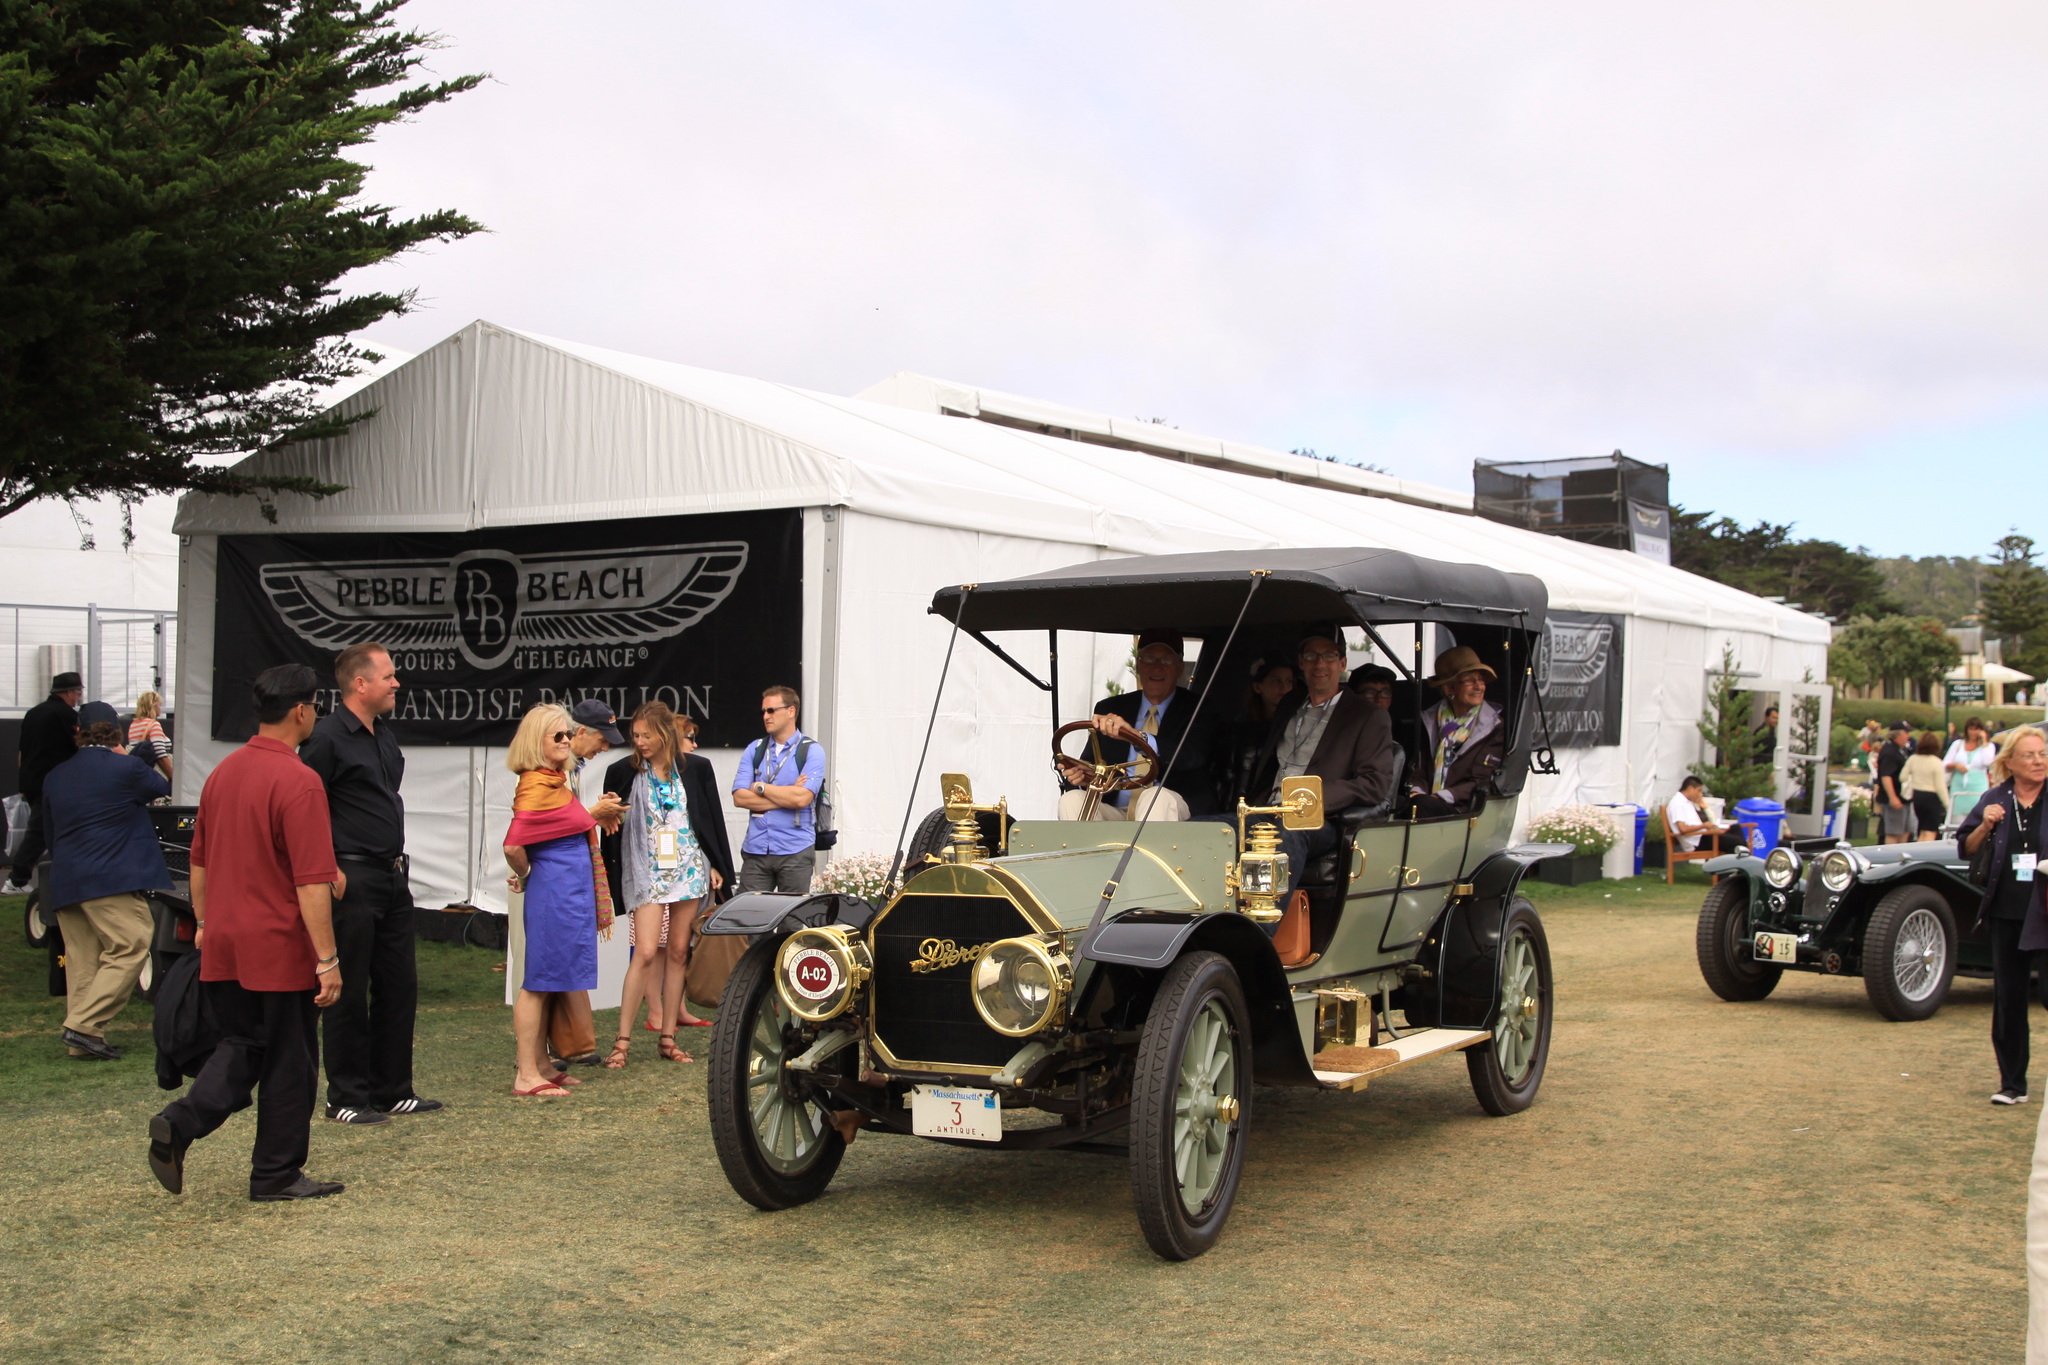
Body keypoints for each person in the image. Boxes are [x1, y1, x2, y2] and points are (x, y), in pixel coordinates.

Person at [147, 664, 345, 1201]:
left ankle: (181, 1123)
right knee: (290, 1062)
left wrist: (207, 924)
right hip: (277, 945)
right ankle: (275, 1173)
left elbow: (200, 863)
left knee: (242, 1046)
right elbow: (310, 882)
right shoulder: (300, 781)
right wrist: (326, 958)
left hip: (225, 940)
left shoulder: (223, 773)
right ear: (302, 711)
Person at [297, 643, 440, 1125]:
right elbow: (304, 806)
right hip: (350, 877)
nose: (396, 683)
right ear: (360, 684)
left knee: (400, 985)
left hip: (393, 875)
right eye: (388, 676)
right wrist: (329, 866)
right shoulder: (327, 738)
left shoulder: (383, 735)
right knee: (350, 988)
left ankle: (393, 1088)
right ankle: (346, 1097)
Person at [42, 703, 171, 1060]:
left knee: (83, 960)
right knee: (131, 945)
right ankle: (83, 1026)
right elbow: (161, 785)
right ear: (117, 731)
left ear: (78, 733)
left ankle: (82, 1042)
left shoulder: (55, 775)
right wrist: (137, 756)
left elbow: (50, 835)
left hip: (67, 878)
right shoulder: (128, 766)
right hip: (111, 876)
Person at [602, 702, 726, 1067]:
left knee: (677, 953)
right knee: (643, 951)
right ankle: (621, 1042)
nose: (640, 742)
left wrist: (717, 864)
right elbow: (610, 826)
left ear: (665, 734)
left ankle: (668, 1038)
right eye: (636, 736)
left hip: (687, 868)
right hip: (646, 871)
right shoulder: (621, 772)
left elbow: (711, 819)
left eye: (647, 735)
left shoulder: (696, 768)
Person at [503, 704, 615, 1098]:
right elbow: (514, 844)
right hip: (552, 892)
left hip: (566, 892)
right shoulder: (536, 783)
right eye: (558, 736)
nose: (568, 741)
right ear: (538, 741)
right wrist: (527, 874)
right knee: (538, 982)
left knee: (551, 981)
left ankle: (542, 1065)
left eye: (568, 735)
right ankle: (525, 1074)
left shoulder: (554, 781)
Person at [1244, 633, 1395, 898]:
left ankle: (1261, 929)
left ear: (1342, 663)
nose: (1319, 664)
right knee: (1206, 828)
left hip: (1318, 820)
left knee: (1283, 836)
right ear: (1301, 663)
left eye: (1329, 656)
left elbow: (1374, 784)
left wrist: (1308, 799)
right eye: (1311, 657)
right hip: (1266, 808)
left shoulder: (1368, 714)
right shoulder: (1289, 704)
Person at [1957, 727, 2048, 1106]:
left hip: (2046, 910)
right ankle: (2012, 1084)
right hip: (2007, 911)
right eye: (2029, 755)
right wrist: (1985, 825)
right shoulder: (1996, 798)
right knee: (2008, 999)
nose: (2039, 761)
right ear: (2009, 762)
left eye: (2042, 753)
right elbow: (1965, 848)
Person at [537, 700, 628, 1070]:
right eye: (602, 739)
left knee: (567, 959)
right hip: (550, 875)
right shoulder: (546, 764)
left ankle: (567, 1043)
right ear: (581, 732)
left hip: (566, 871)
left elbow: (564, 816)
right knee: (546, 966)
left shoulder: (573, 767)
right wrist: (593, 814)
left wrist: (593, 810)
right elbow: (544, 821)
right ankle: (539, 1053)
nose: (605, 747)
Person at [1055, 633, 1216, 822]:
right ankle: (1082, 852)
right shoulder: (1110, 708)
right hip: (1115, 809)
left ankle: (1149, 852)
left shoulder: (1199, 707)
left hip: (1171, 808)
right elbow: (1092, 762)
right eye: (1149, 658)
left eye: (1166, 659)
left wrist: (1138, 737)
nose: (1157, 667)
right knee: (1071, 800)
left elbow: (1192, 756)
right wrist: (1085, 779)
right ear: (1138, 665)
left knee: (1155, 797)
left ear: (1180, 667)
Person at [732, 685, 827, 892]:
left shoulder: (811, 750)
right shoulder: (755, 749)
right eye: (763, 711)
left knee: (792, 919)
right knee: (749, 916)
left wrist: (760, 787)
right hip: (756, 848)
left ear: (791, 711)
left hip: (795, 848)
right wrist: (788, 793)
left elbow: (802, 799)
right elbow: (739, 798)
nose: (766, 716)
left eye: (771, 710)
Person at [1406, 646, 1506, 818]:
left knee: (1423, 806)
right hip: (1426, 803)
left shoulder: (1494, 727)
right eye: (1470, 681)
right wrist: (1416, 792)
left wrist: (1439, 797)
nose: (1479, 687)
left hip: (1463, 810)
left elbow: (1481, 781)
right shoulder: (1429, 720)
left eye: (1481, 680)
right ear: (1449, 689)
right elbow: (1419, 769)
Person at [6, 669, 83, 891]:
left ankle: (62, 877)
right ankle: (16, 880)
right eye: (77, 692)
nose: (78, 697)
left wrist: (24, 783)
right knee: (40, 832)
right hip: (53, 784)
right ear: (69, 692)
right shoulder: (67, 715)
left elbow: (23, 751)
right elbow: (78, 747)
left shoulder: (33, 713)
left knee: (54, 831)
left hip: (31, 781)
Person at [1218, 658, 1296, 810]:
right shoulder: (1237, 731)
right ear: (1258, 687)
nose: (1284, 687)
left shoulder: (1298, 727)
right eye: (1276, 681)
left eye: (1289, 681)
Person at [1903, 731, 1950, 842]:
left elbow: (1903, 777)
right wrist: (1947, 805)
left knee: (1922, 828)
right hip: (1931, 798)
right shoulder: (1936, 762)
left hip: (1917, 796)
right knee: (1930, 830)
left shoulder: (1913, 759)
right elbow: (1940, 787)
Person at [1664, 775, 1729, 853]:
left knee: (1736, 829)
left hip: (1702, 836)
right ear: (1691, 788)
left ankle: (1740, 859)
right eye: (1699, 790)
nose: (1700, 794)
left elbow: (1703, 820)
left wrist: (1702, 806)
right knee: (1734, 841)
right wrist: (1703, 826)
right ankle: (1741, 861)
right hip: (1696, 842)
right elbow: (1683, 829)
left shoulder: (1687, 802)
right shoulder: (1678, 803)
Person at [1947, 717, 1997, 810]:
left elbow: (1988, 763)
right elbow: (1945, 763)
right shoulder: (1957, 744)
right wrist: (1956, 765)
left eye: (1976, 729)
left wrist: (1984, 741)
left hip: (1978, 788)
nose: (1973, 732)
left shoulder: (1989, 746)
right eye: (1971, 729)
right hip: (1958, 788)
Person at [1876, 720, 1912, 844]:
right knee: (1894, 832)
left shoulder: (1902, 750)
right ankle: (1889, 858)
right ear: (1897, 734)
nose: (1908, 736)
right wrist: (1893, 797)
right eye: (1906, 733)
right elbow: (1886, 776)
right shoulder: (1889, 752)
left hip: (1905, 797)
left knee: (1905, 832)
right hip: (1894, 797)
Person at [127, 691, 173, 783]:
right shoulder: (154, 725)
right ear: (153, 706)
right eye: (159, 705)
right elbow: (161, 756)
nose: (160, 708)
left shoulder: (134, 725)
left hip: (140, 774)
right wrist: (173, 777)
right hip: (155, 774)